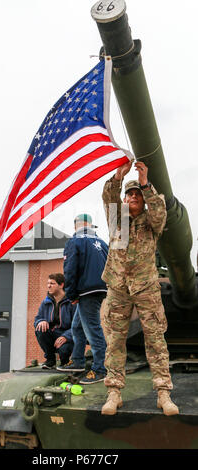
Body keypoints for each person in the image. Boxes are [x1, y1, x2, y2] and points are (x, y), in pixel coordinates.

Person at [101, 161, 179, 416]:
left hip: (146, 288)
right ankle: (114, 393)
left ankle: (163, 394)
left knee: (156, 339)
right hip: (119, 287)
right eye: (130, 193)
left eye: (138, 194)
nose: (133, 197)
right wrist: (119, 176)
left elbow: (159, 209)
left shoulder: (151, 221)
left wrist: (144, 181)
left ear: (143, 199)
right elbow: (109, 196)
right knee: (115, 341)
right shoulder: (117, 220)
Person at [57, 214, 108, 385]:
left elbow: (70, 270)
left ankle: (100, 369)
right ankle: (77, 361)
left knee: (93, 329)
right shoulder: (102, 243)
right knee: (77, 326)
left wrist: (70, 294)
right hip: (100, 288)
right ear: (91, 225)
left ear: (75, 226)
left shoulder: (75, 241)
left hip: (86, 291)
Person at [34, 273, 75, 369]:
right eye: (48, 283)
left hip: (68, 335)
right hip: (52, 334)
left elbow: (78, 325)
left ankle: (65, 362)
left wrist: (66, 336)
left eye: (52, 283)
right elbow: (37, 318)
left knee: (64, 350)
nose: (49, 286)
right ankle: (50, 360)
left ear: (61, 285)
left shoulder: (72, 302)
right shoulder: (46, 302)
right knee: (40, 329)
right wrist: (41, 321)